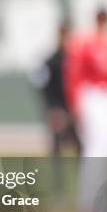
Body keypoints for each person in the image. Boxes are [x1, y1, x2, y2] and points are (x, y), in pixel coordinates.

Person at [65, 8, 107, 212]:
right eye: (101, 19)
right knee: (95, 149)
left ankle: (101, 201)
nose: (103, 22)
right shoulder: (85, 42)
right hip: (93, 97)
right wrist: (76, 104)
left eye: (106, 19)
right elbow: (74, 75)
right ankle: (89, 201)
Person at [31, 21, 81, 195]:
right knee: (57, 151)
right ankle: (59, 191)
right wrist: (52, 110)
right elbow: (42, 87)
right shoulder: (51, 61)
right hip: (58, 112)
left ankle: (82, 189)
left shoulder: (77, 60)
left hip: (75, 112)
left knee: (82, 149)